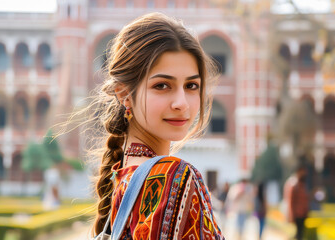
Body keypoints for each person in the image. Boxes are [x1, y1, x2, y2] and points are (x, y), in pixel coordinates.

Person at [70, 12, 224, 239]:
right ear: (125, 94)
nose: (181, 103)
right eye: (162, 85)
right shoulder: (173, 176)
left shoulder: (122, 175)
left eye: (191, 85)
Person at [284, 166, 309, 240]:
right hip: (297, 213)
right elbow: (291, 201)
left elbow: (305, 199)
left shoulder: (302, 184)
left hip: (302, 213)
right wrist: (291, 214)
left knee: (300, 233)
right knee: (298, 234)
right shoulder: (294, 184)